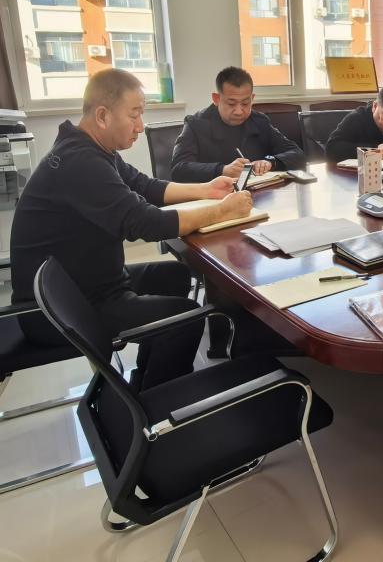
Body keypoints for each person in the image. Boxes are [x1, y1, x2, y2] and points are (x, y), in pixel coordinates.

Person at [10, 69, 253, 390]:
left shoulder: (90, 149)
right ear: (102, 116)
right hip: (62, 308)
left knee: (176, 276)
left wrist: (206, 189)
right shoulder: (80, 163)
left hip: (87, 283)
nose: (140, 126)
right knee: (187, 317)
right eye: (134, 114)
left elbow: (144, 186)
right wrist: (222, 211)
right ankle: (156, 402)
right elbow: (145, 222)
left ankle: (145, 380)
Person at [170, 66, 304, 182]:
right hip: (215, 197)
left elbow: (297, 153)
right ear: (216, 99)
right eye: (231, 103)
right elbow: (178, 169)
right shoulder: (195, 124)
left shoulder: (259, 121)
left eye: (245, 103)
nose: (239, 111)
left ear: (252, 98)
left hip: (257, 193)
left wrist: (270, 162)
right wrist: (222, 170)